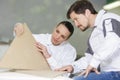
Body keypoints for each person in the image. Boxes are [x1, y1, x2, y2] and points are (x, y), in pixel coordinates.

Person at [56, 0, 120, 80]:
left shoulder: (109, 18)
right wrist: (73, 67)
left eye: (76, 19)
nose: (76, 24)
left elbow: (113, 40)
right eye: (73, 21)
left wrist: (94, 62)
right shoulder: (92, 37)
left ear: (87, 12)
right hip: (108, 72)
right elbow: (89, 58)